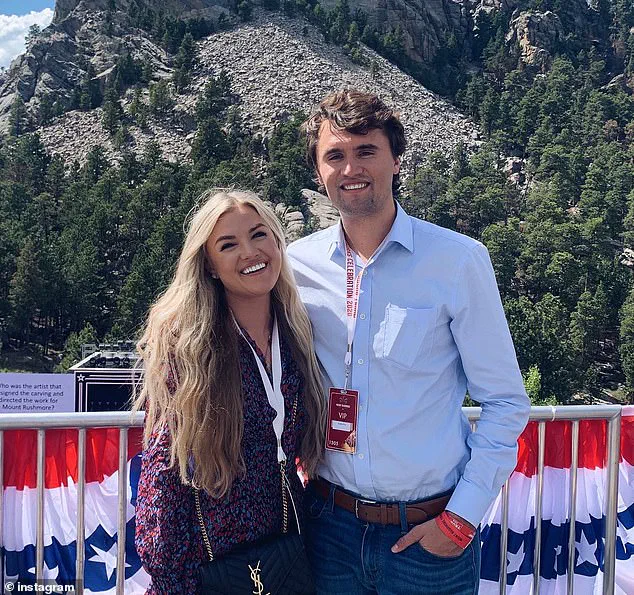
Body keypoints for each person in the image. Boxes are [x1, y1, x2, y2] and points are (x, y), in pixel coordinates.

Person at [287, 90, 531, 594]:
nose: (351, 168)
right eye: (335, 155)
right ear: (318, 172)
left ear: (396, 160)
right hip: (329, 529)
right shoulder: (296, 266)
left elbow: (506, 402)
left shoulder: (458, 261)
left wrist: (461, 518)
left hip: (428, 536)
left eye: (366, 151)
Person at [134, 189, 326, 594]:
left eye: (259, 235)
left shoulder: (296, 331)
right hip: (209, 564)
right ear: (210, 265)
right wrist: (171, 580)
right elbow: (164, 475)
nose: (250, 252)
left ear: (277, 241)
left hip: (286, 553)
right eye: (228, 245)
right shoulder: (189, 347)